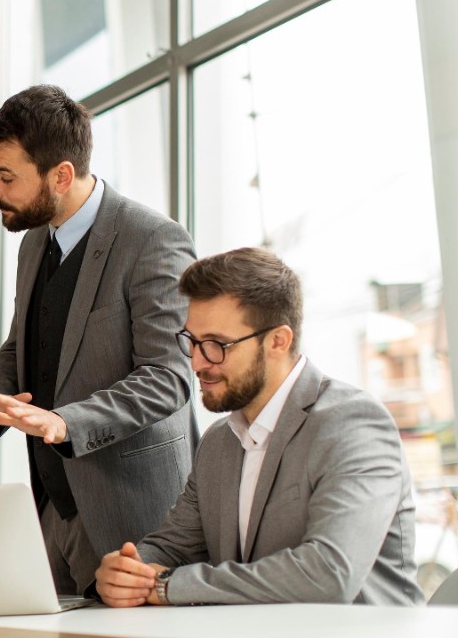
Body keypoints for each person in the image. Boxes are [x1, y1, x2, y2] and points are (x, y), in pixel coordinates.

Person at [0, 84, 197, 596]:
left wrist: (63, 421)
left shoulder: (153, 240)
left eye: (5, 177)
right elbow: (23, 342)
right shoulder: (34, 242)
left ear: (62, 175)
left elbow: (169, 377)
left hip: (135, 516)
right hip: (52, 507)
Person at [94, 247, 421, 607]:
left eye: (217, 344)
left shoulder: (354, 425)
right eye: (192, 341)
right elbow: (173, 545)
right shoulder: (220, 441)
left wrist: (166, 586)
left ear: (278, 341)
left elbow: (329, 574)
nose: (198, 362)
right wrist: (127, 570)